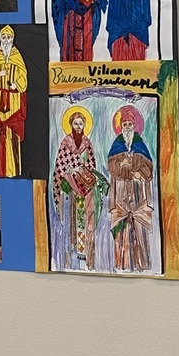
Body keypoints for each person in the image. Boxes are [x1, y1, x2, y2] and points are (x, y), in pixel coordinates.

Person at [105, 105, 157, 273]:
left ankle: (142, 264)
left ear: (135, 126)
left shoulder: (140, 144)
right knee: (122, 229)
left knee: (139, 229)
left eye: (130, 124)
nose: (127, 127)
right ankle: (122, 265)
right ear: (120, 127)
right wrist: (123, 165)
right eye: (125, 124)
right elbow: (111, 166)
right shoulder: (117, 144)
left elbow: (149, 169)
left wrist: (138, 171)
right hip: (120, 194)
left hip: (138, 195)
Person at [53, 106, 102, 269]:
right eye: (76, 123)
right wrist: (71, 171)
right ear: (71, 125)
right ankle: (69, 257)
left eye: (81, 123)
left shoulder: (87, 143)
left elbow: (91, 164)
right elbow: (60, 166)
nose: (78, 126)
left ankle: (85, 255)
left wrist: (83, 170)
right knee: (71, 222)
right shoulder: (66, 142)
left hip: (85, 189)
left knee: (85, 219)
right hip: (70, 190)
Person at [0, 24, 29, 178]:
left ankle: (13, 169)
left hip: (13, 102)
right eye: (4, 37)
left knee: (12, 134)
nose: (6, 40)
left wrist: (16, 84)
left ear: (13, 39)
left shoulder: (17, 56)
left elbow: (24, 79)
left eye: (9, 37)